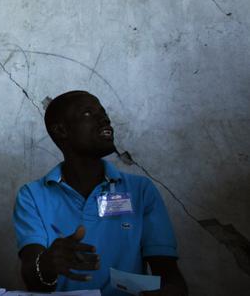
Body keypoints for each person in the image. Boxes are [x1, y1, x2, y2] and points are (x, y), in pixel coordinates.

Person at [13, 90, 188, 295]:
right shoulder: (32, 195)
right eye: (88, 113)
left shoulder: (140, 190)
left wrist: (172, 291)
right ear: (61, 130)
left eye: (103, 112)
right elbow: (34, 281)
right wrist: (47, 265)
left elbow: (169, 274)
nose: (104, 118)